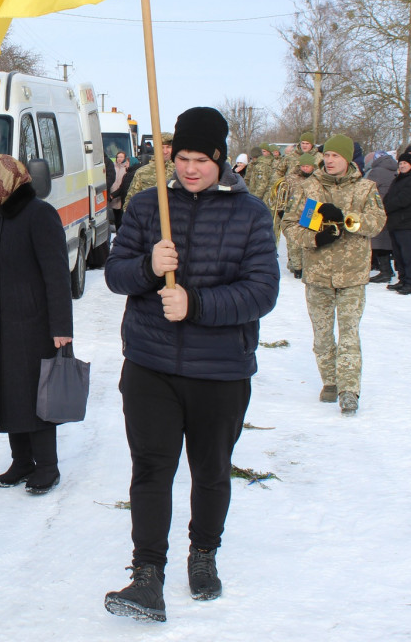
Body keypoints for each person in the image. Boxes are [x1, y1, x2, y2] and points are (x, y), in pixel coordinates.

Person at [103, 107, 279, 623]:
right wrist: (147, 268)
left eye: (201, 159)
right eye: (181, 157)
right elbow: (114, 275)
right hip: (151, 363)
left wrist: (195, 304)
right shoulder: (145, 205)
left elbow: (261, 291)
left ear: (221, 159)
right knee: (152, 468)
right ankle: (147, 573)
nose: (190, 168)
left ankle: (203, 554)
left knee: (209, 469)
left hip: (220, 369)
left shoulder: (250, 214)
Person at [0, 154, 73, 495]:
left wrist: (61, 327)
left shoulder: (40, 215)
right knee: (9, 393)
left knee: (38, 395)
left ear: (7, 178)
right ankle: (21, 461)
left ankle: (47, 465)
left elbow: (57, 275)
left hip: (34, 324)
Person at [282, 134, 386, 413]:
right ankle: (330, 381)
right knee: (323, 335)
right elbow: (290, 225)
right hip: (318, 274)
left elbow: (376, 222)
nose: (329, 160)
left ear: (348, 159)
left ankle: (349, 389)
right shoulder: (309, 188)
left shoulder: (365, 188)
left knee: (350, 333)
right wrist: (315, 238)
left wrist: (347, 219)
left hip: (353, 274)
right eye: (326, 155)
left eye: (335, 156)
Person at [383, 152, 411, 294]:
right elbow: (389, 195)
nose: (402, 166)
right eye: (400, 163)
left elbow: (404, 199)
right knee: (398, 254)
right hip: (395, 222)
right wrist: (384, 205)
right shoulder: (398, 179)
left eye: (405, 163)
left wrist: (388, 207)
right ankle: (403, 279)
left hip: (407, 222)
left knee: (408, 254)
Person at [281, 152, 317, 278]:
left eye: (308, 166)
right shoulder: (292, 178)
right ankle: (297, 267)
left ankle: (308, 265)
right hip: (294, 210)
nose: (305, 168)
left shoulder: (317, 179)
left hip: (312, 210)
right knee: (293, 242)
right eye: (303, 166)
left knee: (309, 238)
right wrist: (282, 208)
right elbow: (284, 193)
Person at [365, 152, 398, 284]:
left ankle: (385, 271)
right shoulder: (393, 170)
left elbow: (367, 189)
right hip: (389, 208)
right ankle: (388, 269)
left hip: (378, 208)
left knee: (378, 241)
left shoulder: (376, 172)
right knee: (385, 240)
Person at [110, 150, 134, 230]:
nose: (119, 159)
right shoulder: (112, 167)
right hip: (113, 193)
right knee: (115, 214)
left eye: (121, 157)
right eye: (118, 157)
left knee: (120, 216)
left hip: (120, 194)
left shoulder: (126, 169)